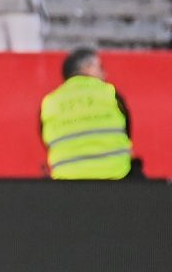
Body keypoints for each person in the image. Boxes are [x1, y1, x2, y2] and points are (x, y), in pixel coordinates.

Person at [40, 48, 133, 181]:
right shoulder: (109, 93)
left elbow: (47, 141)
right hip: (116, 177)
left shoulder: (49, 102)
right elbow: (127, 133)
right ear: (88, 68)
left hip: (66, 181)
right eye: (100, 67)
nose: (105, 73)